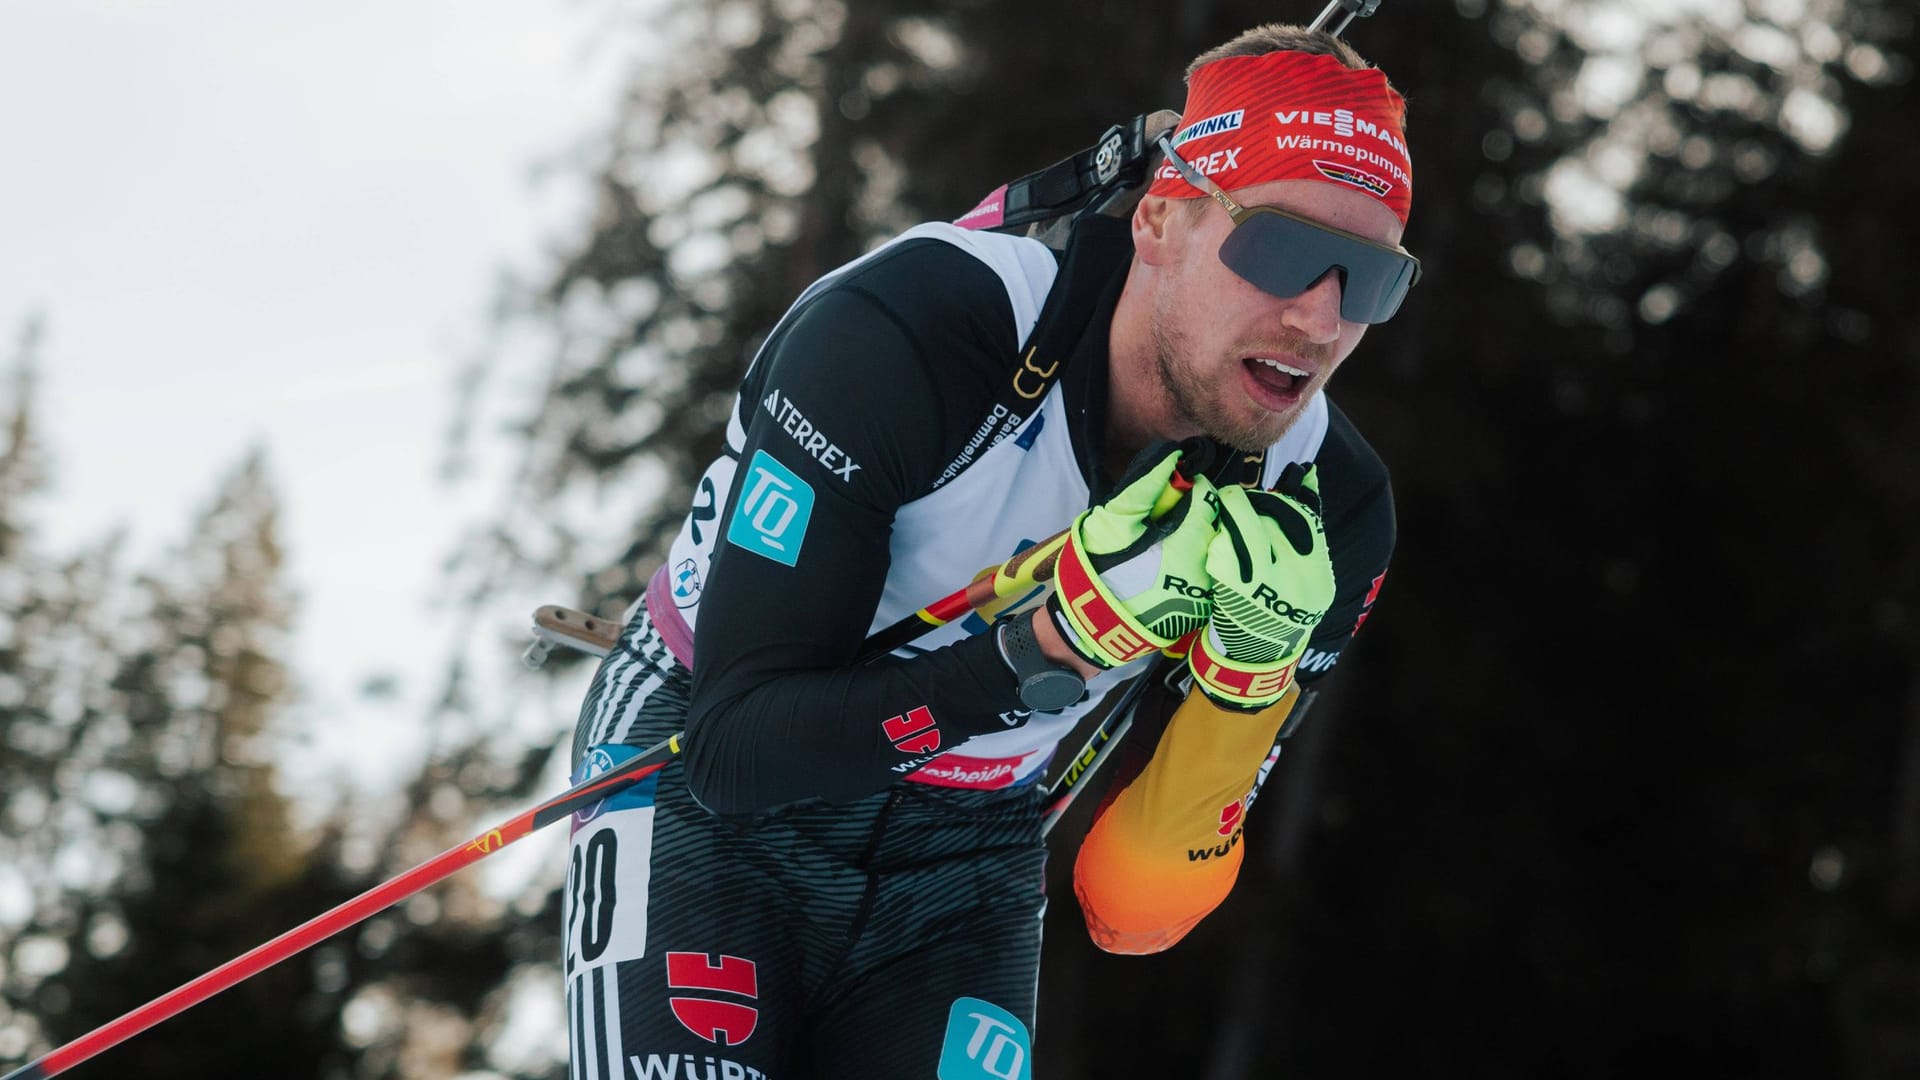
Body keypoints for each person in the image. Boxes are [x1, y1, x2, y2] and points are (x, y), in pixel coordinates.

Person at [561, 22, 1413, 1080]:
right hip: (710, 788)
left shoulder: (1329, 510)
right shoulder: (920, 327)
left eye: (1370, 280)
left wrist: (1244, 697)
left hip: (967, 852)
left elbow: (1134, 909)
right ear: (1160, 222)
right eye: (1281, 247)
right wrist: (1045, 650)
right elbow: (738, 752)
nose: (1320, 317)